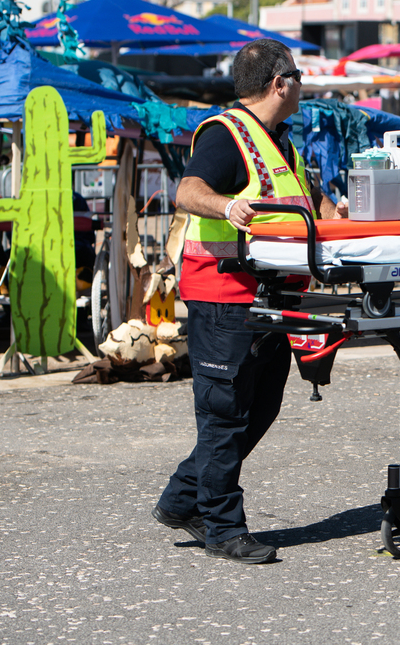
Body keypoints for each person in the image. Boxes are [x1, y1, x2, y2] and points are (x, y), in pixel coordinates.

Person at [153, 39, 325, 565]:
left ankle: (182, 500)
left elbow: (306, 209)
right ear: (280, 83)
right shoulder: (226, 136)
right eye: (298, 76)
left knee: (261, 407)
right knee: (224, 415)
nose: (301, 84)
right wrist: (227, 206)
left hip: (271, 296)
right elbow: (187, 192)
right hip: (225, 295)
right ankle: (224, 529)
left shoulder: (278, 143)